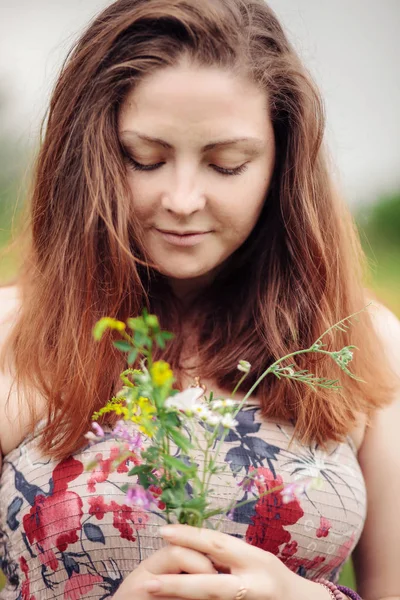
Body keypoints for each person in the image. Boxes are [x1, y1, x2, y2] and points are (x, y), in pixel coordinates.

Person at [0, 0, 399, 598]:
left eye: (227, 164)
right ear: (90, 157)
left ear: (281, 165)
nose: (183, 199)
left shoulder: (363, 339)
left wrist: (301, 596)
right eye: (146, 159)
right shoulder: (11, 332)